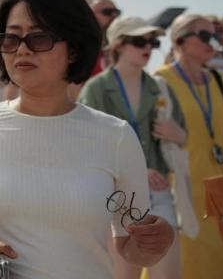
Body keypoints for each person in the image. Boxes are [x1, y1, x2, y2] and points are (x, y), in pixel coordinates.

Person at [0, 0, 174, 279]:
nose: (22, 50)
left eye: (39, 38)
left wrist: (154, 243)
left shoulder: (116, 136)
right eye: (11, 39)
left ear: (74, 49)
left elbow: (129, 246)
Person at [79, 16, 187, 279]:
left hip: (159, 195)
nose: (148, 47)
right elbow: (87, 145)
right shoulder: (96, 88)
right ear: (118, 44)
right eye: (139, 41)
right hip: (116, 197)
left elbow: (184, 137)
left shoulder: (159, 87)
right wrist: (139, 170)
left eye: (152, 42)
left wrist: (176, 133)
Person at [154, 14, 223, 277]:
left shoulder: (218, 79)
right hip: (182, 190)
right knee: (186, 265)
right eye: (204, 35)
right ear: (180, 40)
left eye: (215, 35)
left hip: (218, 190)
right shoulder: (160, 81)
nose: (212, 42)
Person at [90, 0, 122, 76]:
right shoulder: (81, 46)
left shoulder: (122, 48)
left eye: (117, 12)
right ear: (92, 15)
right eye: (107, 12)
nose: (114, 16)